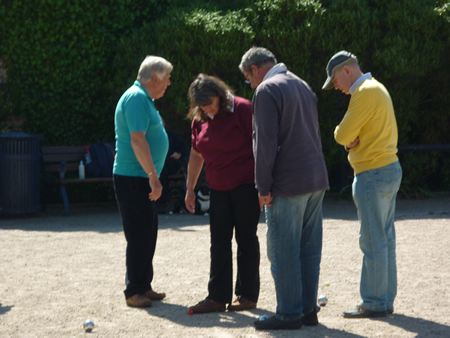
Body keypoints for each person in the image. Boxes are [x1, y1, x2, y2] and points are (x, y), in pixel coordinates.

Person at [239, 47, 329, 330]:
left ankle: (289, 313)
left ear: (254, 69)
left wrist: (262, 186)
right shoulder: (302, 84)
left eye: (247, 79)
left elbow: (264, 143)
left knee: (282, 251)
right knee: (308, 249)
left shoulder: (267, 90)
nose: (250, 85)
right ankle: (307, 310)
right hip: (315, 177)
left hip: (287, 182)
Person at [322, 51, 402, 318]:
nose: (336, 87)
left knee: (372, 239)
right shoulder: (377, 88)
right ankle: (385, 298)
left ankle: (375, 301)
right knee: (385, 237)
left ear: (346, 70)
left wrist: (344, 139)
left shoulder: (364, 92)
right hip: (388, 168)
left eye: (334, 80)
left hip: (372, 171)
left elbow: (342, 133)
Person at [185, 74, 261, 314]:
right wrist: (189, 188)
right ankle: (217, 297)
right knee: (218, 241)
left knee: (246, 239)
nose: (208, 108)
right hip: (217, 188)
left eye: (210, 103)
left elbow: (262, 146)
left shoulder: (243, 109)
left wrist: (265, 186)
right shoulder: (200, 118)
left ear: (220, 95)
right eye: (203, 105)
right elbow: (196, 154)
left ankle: (247, 296)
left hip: (246, 186)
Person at [113, 55, 172, 308]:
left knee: (148, 234)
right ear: (155, 77)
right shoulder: (136, 98)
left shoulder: (144, 99)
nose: (169, 83)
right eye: (167, 78)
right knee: (138, 235)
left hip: (140, 177)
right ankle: (134, 290)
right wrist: (153, 176)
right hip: (135, 178)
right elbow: (137, 140)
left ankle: (143, 286)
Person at [158, 123, 188, 213]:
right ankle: (160, 202)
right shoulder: (149, 137)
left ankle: (162, 202)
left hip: (170, 163)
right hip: (155, 165)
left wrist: (179, 153)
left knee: (162, 167)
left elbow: (183, 150)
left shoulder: (171, 137)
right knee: (160, 170)